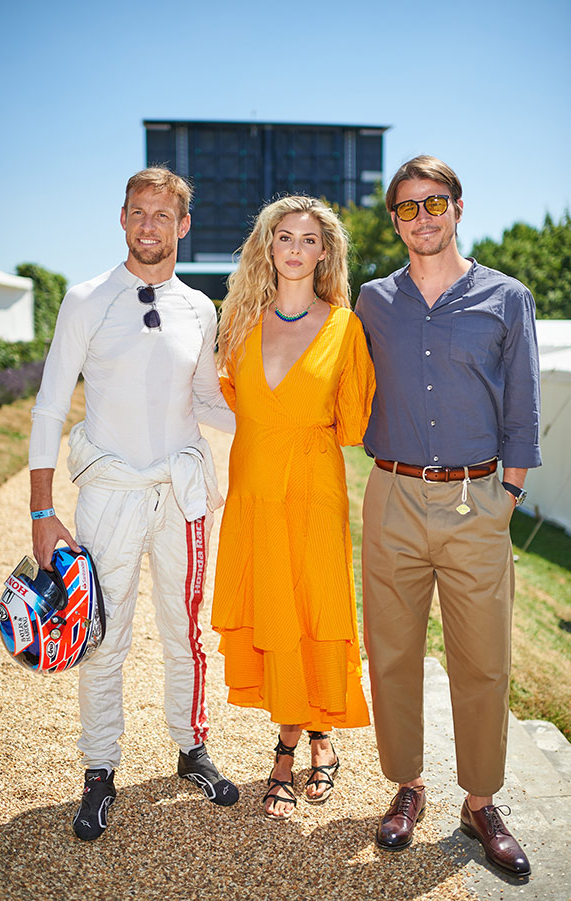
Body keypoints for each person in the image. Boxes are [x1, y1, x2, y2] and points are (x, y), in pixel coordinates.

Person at [28, 167, 239, 841]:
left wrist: (280, 417)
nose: (150, 225)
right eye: (138, 213)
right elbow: (50, 405)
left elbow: (208, 399)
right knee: (102, 639)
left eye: (163, 215)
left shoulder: (200, 308)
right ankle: (98, 770)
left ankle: (191, 747)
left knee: (185, 633)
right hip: (109, 494)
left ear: (183, 225)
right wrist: (41, 511)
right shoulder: (87, 298)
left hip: (181, 494)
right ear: (122, 219)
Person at [355, 156, 541, 877]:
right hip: (393, 497)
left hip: (479, 501)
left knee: (483, 659)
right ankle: (407, 786)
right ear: (396, 220)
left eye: (435, 204)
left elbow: (523, 406)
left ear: (459, 208)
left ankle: (481, 800)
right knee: (393, 652)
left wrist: (509, 496)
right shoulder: (373, 300)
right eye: (408, 208)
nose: (423, 218)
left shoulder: (507, 296)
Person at [211, 195, 376, 820]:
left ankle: (313, 742)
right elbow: (224, 400)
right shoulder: (241, 323)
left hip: (312, 495)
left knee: (314, 610)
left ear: (326, 251)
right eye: (286, 238)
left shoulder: (345, 327)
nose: (297, 249)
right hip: (254, 496)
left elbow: (357, 420)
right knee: (275, 613)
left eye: (311, 240)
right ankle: (295, 737)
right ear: (268, 247)